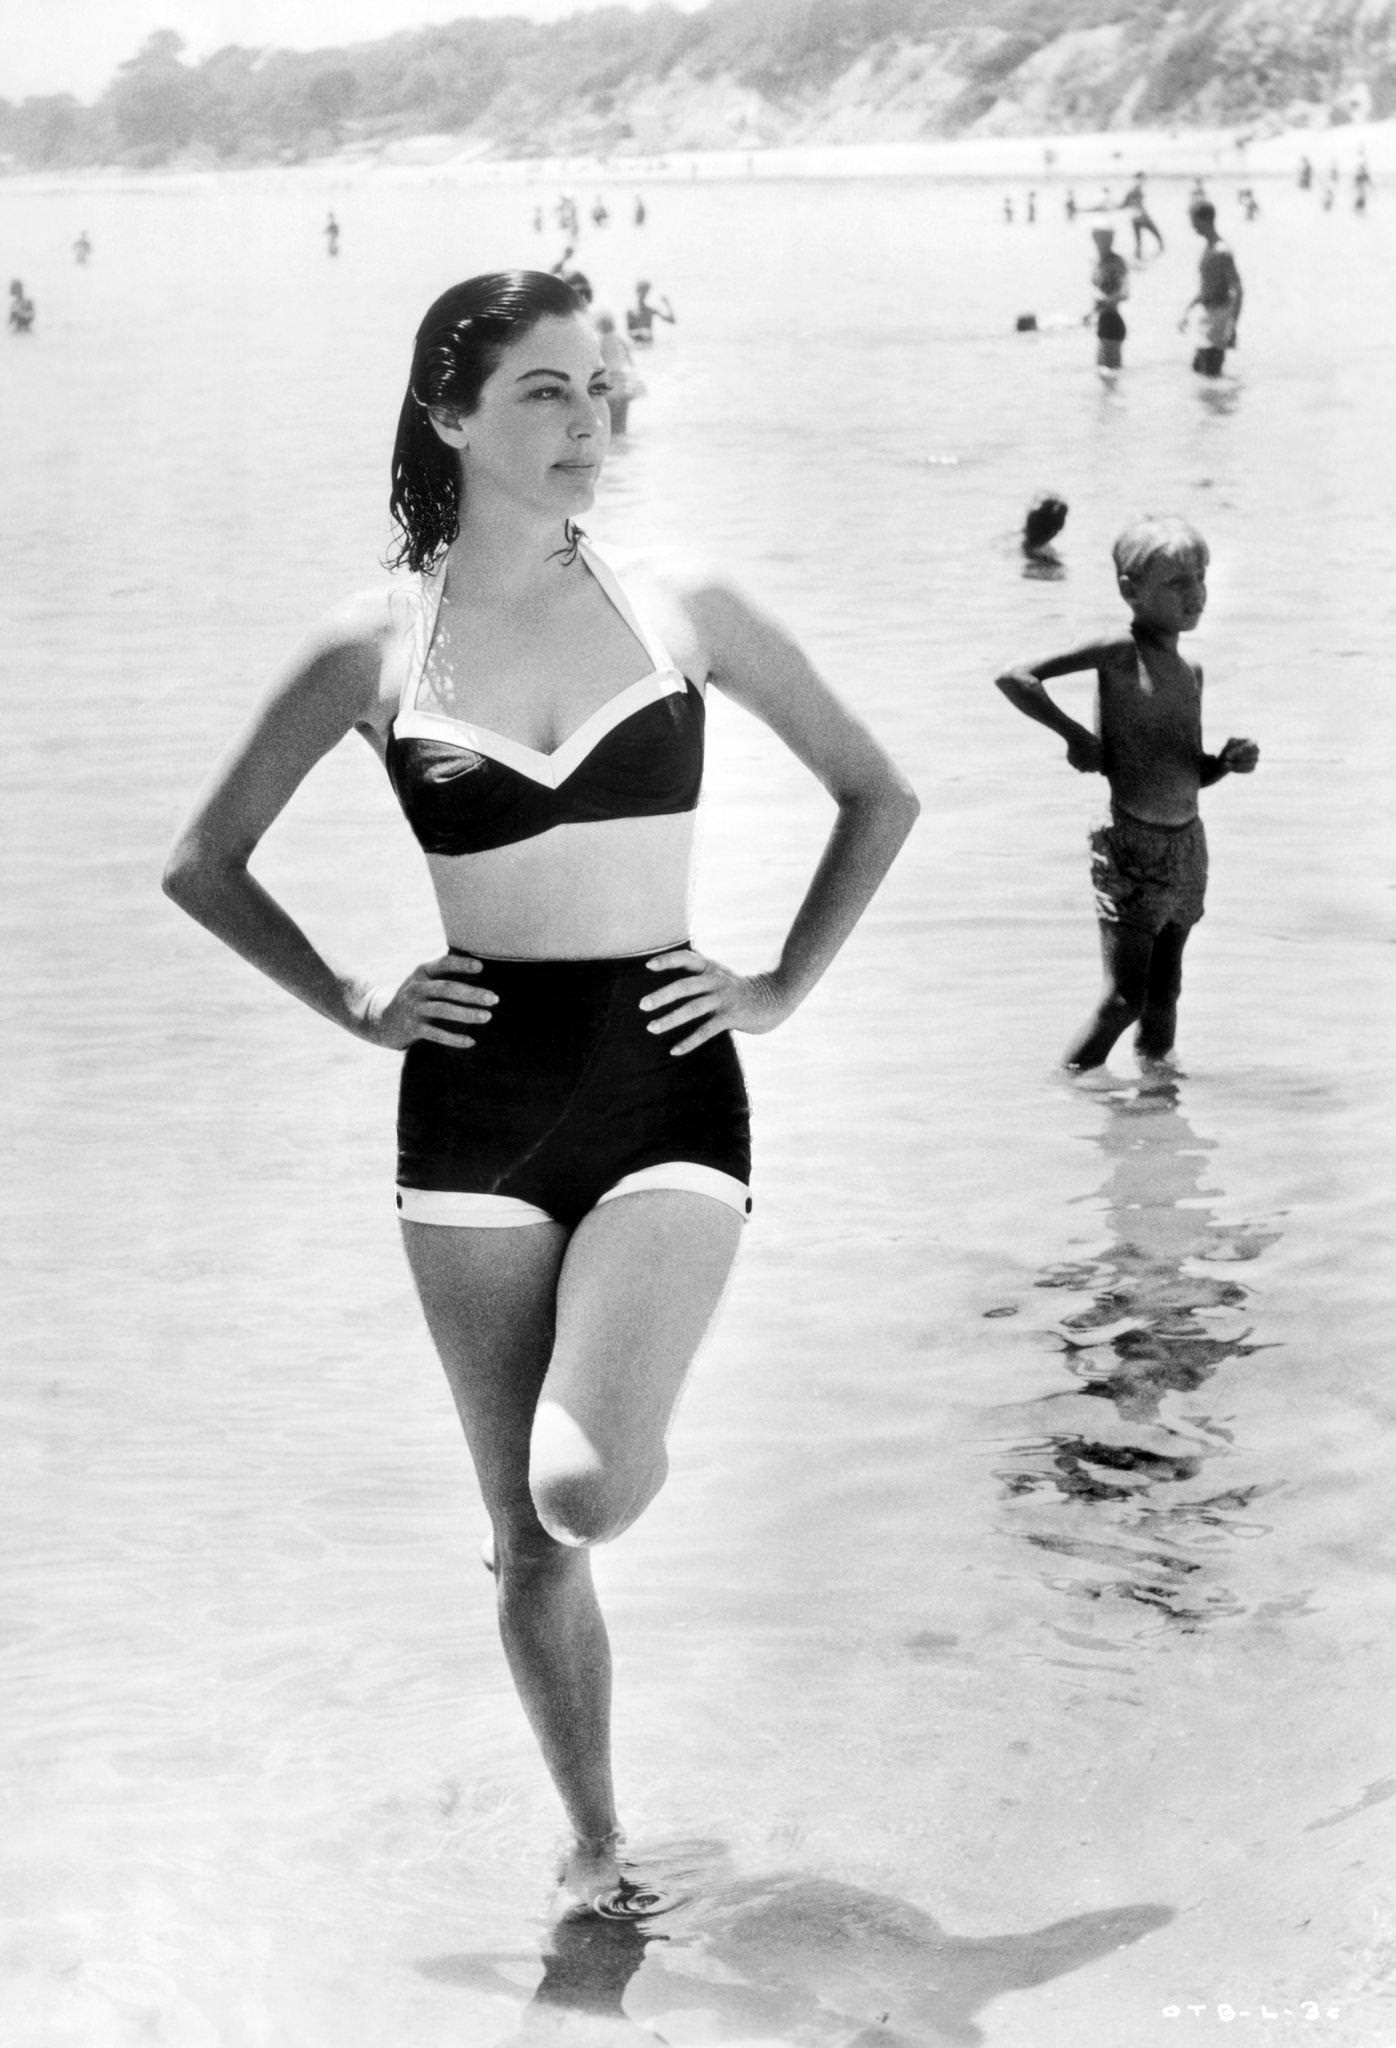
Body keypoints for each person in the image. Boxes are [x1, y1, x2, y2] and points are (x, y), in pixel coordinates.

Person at [161, 269, 918, 1914]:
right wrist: (352, 994)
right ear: (449, 415)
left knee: (579, 1483)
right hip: (468, 1124)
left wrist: (779, 985)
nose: (590, 424)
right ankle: (597, 1847)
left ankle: (628, 1402)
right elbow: (202, 863)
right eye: (545, 394)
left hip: (668, 1088)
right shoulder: (374, 643)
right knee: (526, 1542)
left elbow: (878, 788)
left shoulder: (685, 604)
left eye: (598, 390)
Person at [993, 515, 1258, 1074]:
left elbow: (1188, 772)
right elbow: (1017, 677)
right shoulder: (1120, 651)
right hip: (1131, 843)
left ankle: (1158, 1108)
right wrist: (1077, 737)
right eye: (1175, 582)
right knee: (1123, 1000)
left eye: (1200, 578)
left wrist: (1225, 765)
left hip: (1185, 848)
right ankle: (1069, 1087)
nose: (1195, 593)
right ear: (1130, 590)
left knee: (1165, 998)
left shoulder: (1192, 671)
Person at [1179, 201, 1242, 376]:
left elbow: (1237, 290)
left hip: (1217, 320)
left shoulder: (1221, 251)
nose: (1192, 226)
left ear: (1205, 220)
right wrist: (1187, 311)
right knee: (1199, 371)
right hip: (1206, 318)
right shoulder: (1208, 248)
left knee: (1210, 373)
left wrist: (1232, 325)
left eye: (1193, 221)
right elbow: (1207, 287)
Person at [1089, 226, 1129, 372]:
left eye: (1108, 239)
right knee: (1103, 375)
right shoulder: (1098, 263)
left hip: (1112, 322)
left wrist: (1107, 300)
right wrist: (1092, 312)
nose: (1105, 243)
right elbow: (1099, 292)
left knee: (1110, 374)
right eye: (1100, 239)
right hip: (1103, 321)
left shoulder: (1117, 262)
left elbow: (1125, 292)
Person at [1120, 173, 1164, 257]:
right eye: (1143, 179)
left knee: (1139, 239)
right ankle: (1159, 249)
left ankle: (1138, 256)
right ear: (1138, 179)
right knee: (1155, 233)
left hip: (1134, 217)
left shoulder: (1134, 190)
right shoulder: (1135, 190)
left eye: (1144, 180)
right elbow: (1131, 203)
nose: (1144, 181)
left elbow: (1124, 204)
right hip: (1141, 217)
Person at [625, 279, 675, 345]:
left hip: (649, 345)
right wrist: (641, 331)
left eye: (645, 292)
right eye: (641, 291)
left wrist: (667, 304)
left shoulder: (650, 310)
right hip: (637, 344)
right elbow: (629, 333)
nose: (643, 294)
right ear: (637, 292)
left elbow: (672, 321)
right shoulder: (630, 312)